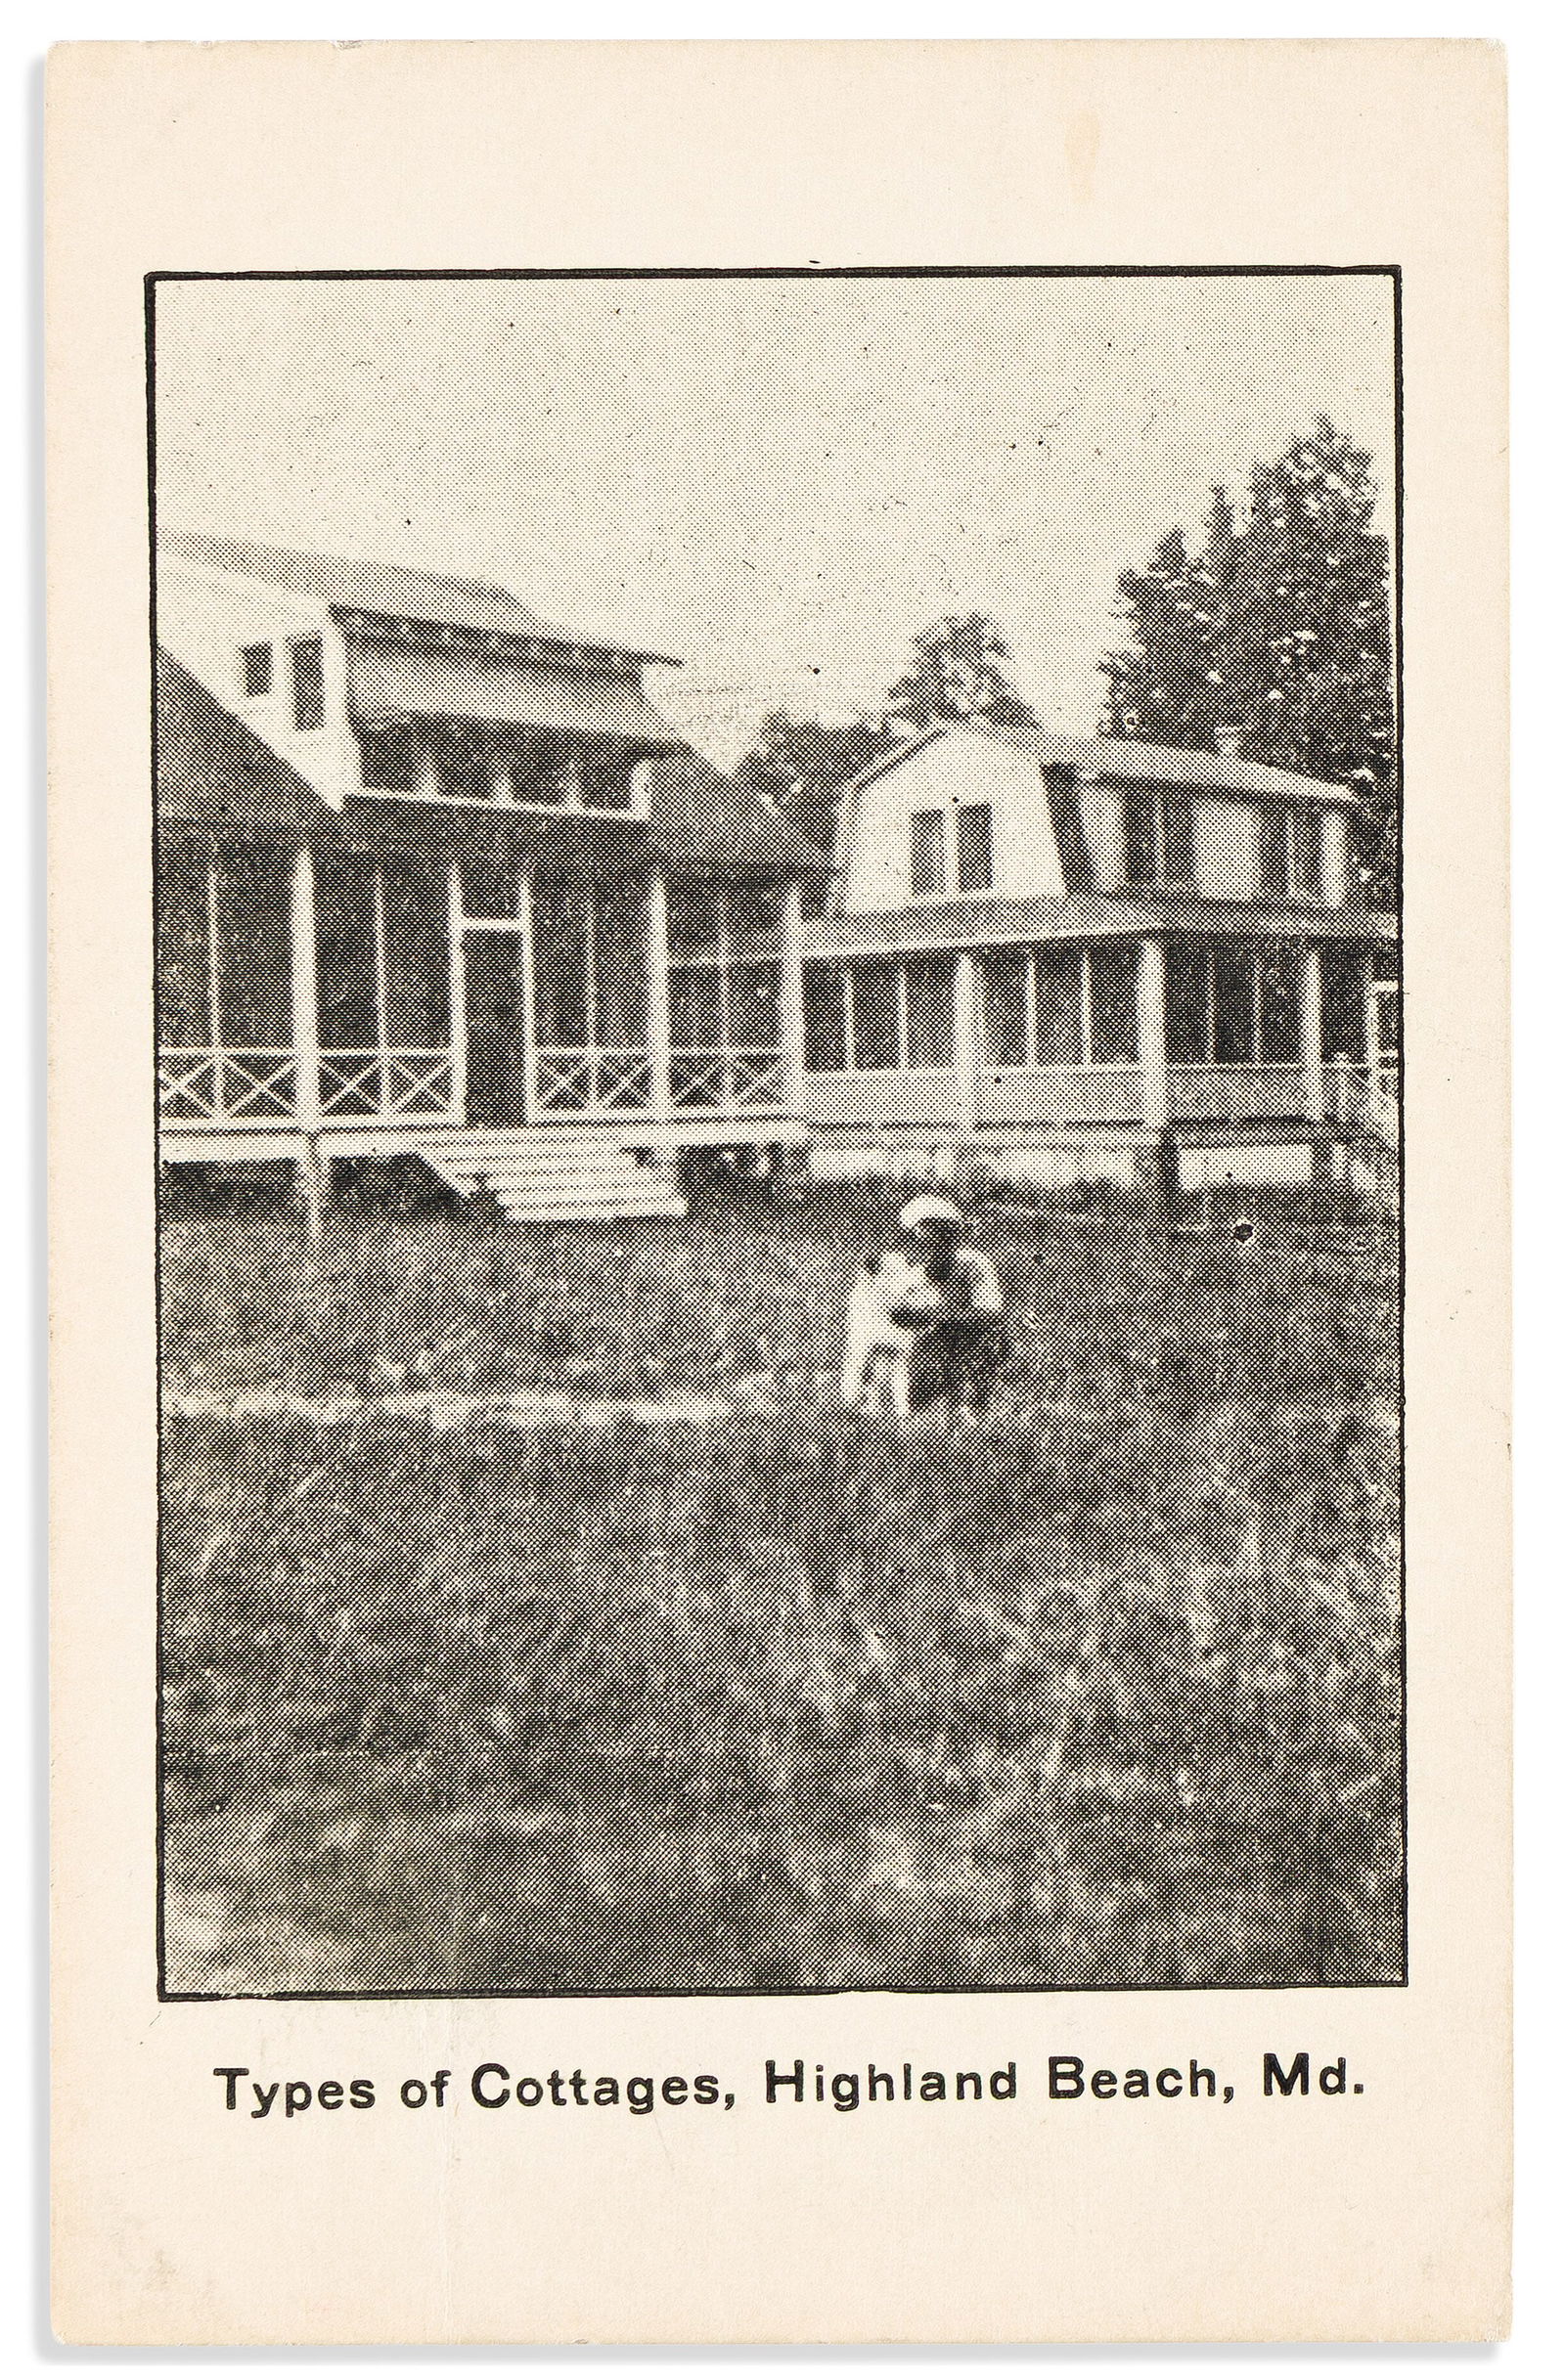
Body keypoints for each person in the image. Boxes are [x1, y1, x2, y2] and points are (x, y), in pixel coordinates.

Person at [840, 1193, 1008, 1421]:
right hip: (925, 1347)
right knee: (895, 1370)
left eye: (944, 1237)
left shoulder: (974, 1265)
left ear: (955, 1237)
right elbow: (881, 1321)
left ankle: (973, 1405)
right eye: (925, 1241)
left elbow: (990, 1313)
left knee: (987, 1343)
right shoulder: (906, 1271)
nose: (935, 1248)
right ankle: (881, 1400)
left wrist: (934, 1317)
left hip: (966, 1340)